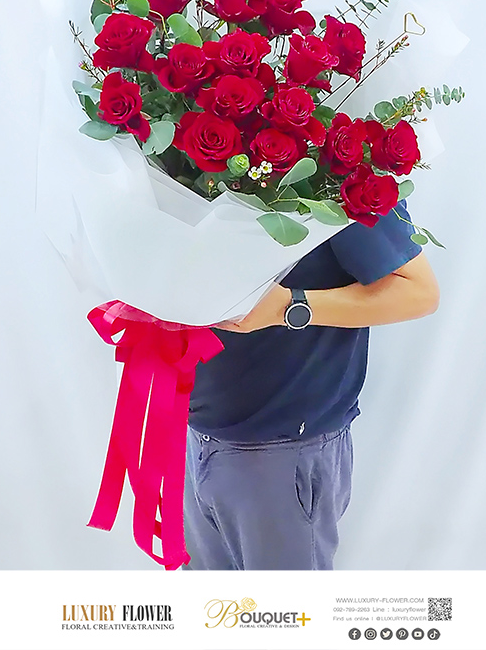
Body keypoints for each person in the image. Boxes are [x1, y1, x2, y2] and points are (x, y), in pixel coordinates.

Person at [184, 200, 439, 570]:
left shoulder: (343, 177)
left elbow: (418, 292)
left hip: (282, 447)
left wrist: (289, 306)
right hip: (196, 430)